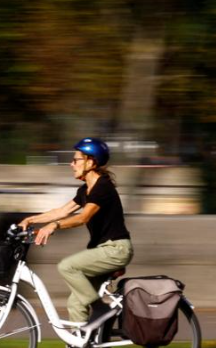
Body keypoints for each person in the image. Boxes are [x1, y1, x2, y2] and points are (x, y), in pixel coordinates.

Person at [18, 137, 132, 324]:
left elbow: (82, 217)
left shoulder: (102, 188)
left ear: (91, 161)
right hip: (102, 250)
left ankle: (100, 309)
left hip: (115, 249)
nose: (71, 164)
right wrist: (30, 220)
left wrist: (54, 226)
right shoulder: (85, 190)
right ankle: (82, 342)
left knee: (67, 266)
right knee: (75, 304)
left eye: (76, 160)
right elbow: (61, 211)